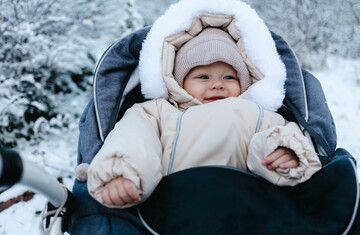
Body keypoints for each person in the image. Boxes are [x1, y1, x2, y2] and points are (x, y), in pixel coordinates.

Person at [86, 1, 322, 209]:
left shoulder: (257, 113)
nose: (217, 85)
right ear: (178, 82)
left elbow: (279, 135)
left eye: (229, 77)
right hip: (170, 209)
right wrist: (123, 172)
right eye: (203, 77)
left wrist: (284, 152)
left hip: (246, 207)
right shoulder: (157, 112)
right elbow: (133, 140)